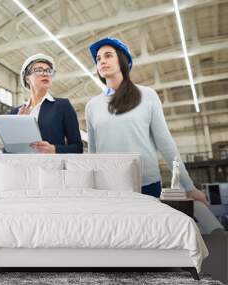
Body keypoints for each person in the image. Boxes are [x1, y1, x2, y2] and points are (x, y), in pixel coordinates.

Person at [85, 37, 223, 233]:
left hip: (146, 184)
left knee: (149, 237)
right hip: (110, 187)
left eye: (108, 56)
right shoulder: (92, 106)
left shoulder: (147, 96)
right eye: (98, 59)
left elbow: (165, 143)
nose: (102, 62)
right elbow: (93, 152)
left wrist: (188, 186)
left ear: (122, 61)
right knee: (117, 239)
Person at [9, 53, 83, 153]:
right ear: (27, 78)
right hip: (24, 168)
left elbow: (77, 148)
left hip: (52, 167)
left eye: (48, 71)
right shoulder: (15, 113)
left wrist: (54, 149)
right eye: (39, 70)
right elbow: (7, 151)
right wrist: (18, 126)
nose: (45, 73)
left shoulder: (62, 106)